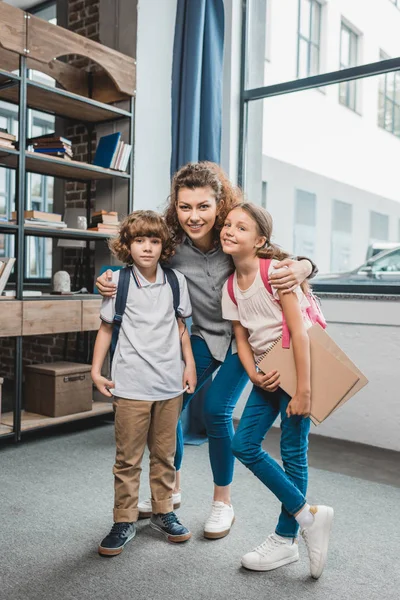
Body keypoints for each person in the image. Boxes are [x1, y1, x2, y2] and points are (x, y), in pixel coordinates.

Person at [95, 161, 316, 540]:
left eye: (203, 207)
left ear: (219, 206)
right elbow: (138, 261)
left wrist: (306, 266)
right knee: (172, 402)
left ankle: (222, 502)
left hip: (242, 341)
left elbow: (285, 257)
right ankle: (171, 489)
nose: (194, 216)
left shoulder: (234, 237)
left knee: (216, 411)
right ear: (175, 209)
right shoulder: (172, 249)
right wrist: (106, 278)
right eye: (185, 207)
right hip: (202, 338)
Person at [221, 202, 333, 579]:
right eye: (227, 225)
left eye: (241, 227)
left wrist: (304, 391)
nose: (229, 230)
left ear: (260, 240)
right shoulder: (231, 286)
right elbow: (242, 337)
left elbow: (299, 333)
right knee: (243, 444)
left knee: (292, 452)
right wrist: (253, 375)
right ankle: (307, 516)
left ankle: (286, 539)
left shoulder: (276, 274)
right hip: (268, 373)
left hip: (297, 371)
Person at [92, 210, 196, 556]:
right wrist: (95, 370)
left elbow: (182, 329)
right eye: (140, 241)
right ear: (128, 245)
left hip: (169, 387)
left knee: (165, 456)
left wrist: (190, 365)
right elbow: (107, 328)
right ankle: (124, 519)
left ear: (164, 246)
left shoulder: (176, 282)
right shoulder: (118, 282)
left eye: (154, 241)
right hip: (131, 385)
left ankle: (163, 512)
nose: (147, 248)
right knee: (127, 459)